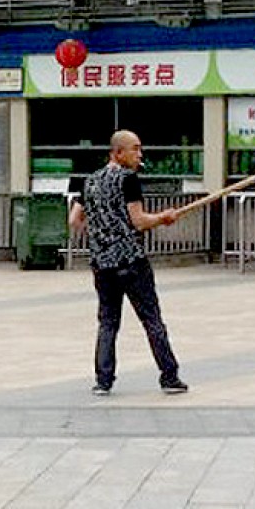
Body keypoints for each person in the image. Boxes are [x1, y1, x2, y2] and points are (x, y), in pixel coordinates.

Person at [68, 130, 189, 396]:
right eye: (135, 149)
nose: (139, 154)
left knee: (108, 322)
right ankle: (169, 377)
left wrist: (100, 233)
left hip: (102, 264)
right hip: (131, 261)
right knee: (152, 320)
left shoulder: (89, 181)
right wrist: (164, 217)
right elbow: (139, 221)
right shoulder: (128, 179)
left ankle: (103, 381)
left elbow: (74, 220)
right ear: (117, 153)